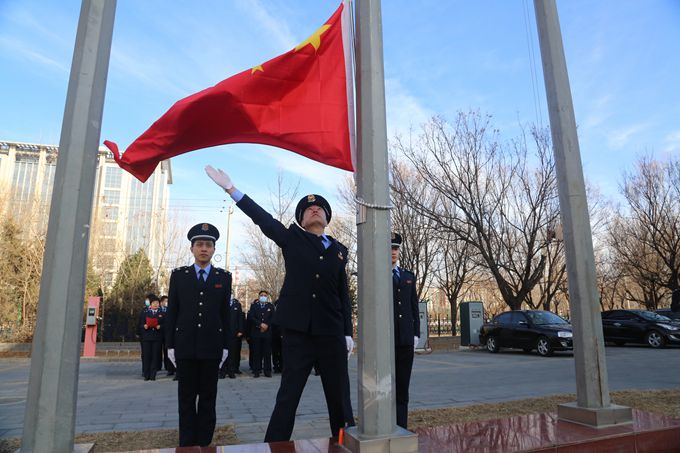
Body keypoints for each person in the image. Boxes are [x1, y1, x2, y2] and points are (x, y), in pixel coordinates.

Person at [206, 166, 353, 442]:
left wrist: (348, 332)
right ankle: (273, 447)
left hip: (331, 333)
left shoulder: (339, 250)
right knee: (288, 396)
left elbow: (342, 294)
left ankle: (345, 443)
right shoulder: (292, 238)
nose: (315, 210)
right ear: (300, 218)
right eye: (309, 209)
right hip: (297, 332)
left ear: (327, 217)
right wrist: (232, 190)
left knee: (340, 399)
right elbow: (264, 220)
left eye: (320, 208)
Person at [165, 223, 232, 447]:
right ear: (192, 248)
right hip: (184, 347)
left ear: (214, 250)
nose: (204, 248)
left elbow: (225, 315)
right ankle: (187, 444)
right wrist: (170, 346)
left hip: (212, 348)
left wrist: (226, 347)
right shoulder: (179, 276)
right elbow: (172, 313)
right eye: (200, 244)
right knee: (185, 399)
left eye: (208, 245)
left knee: (208, 398)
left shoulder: (223, 277)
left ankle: (204, 443)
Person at [390, 232, 420, 430]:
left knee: (402, 387)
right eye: (389, 248)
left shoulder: (408, 276)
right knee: (385, 387)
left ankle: (401, 426)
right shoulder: (378, 275)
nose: (393, 252)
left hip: (405, 340)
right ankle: (386, 425)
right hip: (386, 339)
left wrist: (416, 333)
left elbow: (413, 307)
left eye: (395, 248)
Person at [248, 290, 275, 378]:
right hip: (256, 333)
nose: (263, 296)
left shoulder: (270, 306)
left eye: (265, 295)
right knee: (256, 352)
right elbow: (251, 317)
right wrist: (260, 324)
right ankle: (256, 370)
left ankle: (267, 371)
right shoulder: (254, 306)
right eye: (261, 295)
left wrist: (266, 325)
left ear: (267, 297)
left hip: (267, 333)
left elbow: (273, 317)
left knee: (267, 353)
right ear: (259, 297)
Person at [138, 295, 164, 381]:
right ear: (151, 304)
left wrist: (161, 327)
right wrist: (144, 326)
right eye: (154, 303)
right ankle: (146, 374)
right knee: (146, 356)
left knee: (155, 356)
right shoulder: (145, 312)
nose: (156, 304)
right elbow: (140, 324)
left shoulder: (162, 313)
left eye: (157, 303)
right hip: (147, 338)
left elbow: (166, 324)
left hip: (157, 338)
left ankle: (153, 375)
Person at [219, 297, 245, 379]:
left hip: (234, 332)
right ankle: (222, 371)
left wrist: (240, 330)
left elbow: (240, 318)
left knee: (232, 352)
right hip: (223, 332)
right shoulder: (221, 302)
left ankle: (231, 371)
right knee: (223, 352)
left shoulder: (237, 304)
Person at [159, 295, 176, 377]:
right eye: (165, 301)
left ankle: (172, 368)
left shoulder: (172, 310)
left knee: (170, 351)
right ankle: (168, 368)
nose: (167, 303)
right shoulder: (159, 310)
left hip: (170, 333)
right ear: (161, 302)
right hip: (161, 334)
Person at [271, 299, 283, 373]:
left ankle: (282, 366)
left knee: (282, 352)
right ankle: (276, 366)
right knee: (275, 352)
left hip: (282, 336)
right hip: (273, 336)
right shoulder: (273, 314)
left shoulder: (284, 314)